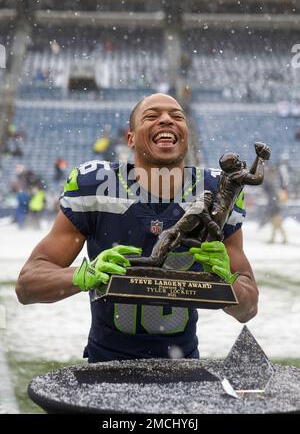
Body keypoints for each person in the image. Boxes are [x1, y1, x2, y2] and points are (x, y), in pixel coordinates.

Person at [16, 93, 258, 362]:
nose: (167, 119)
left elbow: (248, 308)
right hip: (105, 366)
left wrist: (227, 286)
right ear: (130, 138)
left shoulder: (215, 191)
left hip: (184, 370)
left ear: (186, 136)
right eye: (152, 116)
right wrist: (82, 276)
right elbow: (27, 285)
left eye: (177, 116)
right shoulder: (96, 186)